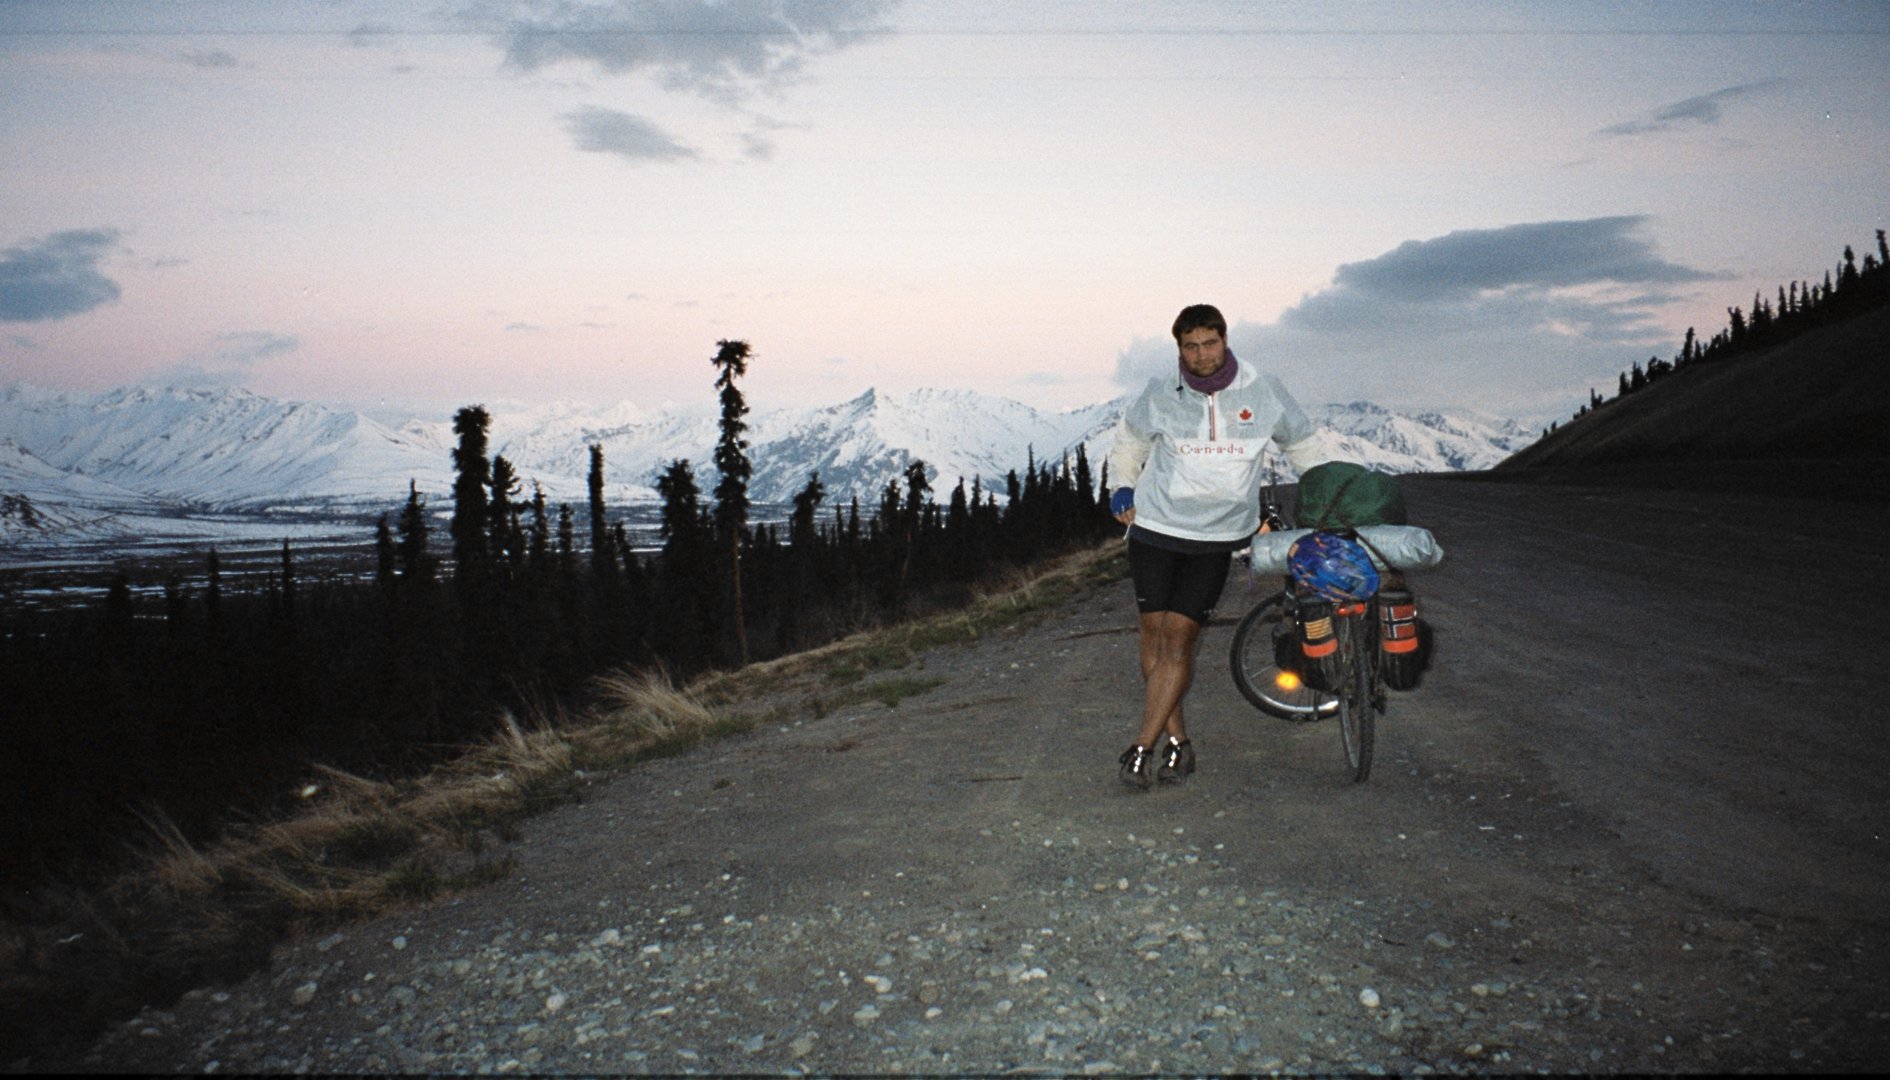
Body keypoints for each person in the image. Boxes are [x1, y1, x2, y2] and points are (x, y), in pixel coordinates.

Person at [1106, 303, 1331, 788]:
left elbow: (1303, 445)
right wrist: (1121, 485)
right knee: (1153, 635)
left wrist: (1330, 493)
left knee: (1179, 638)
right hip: (1155, 527)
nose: (1201, 355)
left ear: (1225, 341)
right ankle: (1178, 744)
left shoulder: (1262, 389)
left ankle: (1142, 746)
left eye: (1210, 343)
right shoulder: (1161, 392)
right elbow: (1129, 442)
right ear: (1179, 348)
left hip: (1218, 537)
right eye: (1190, 346)